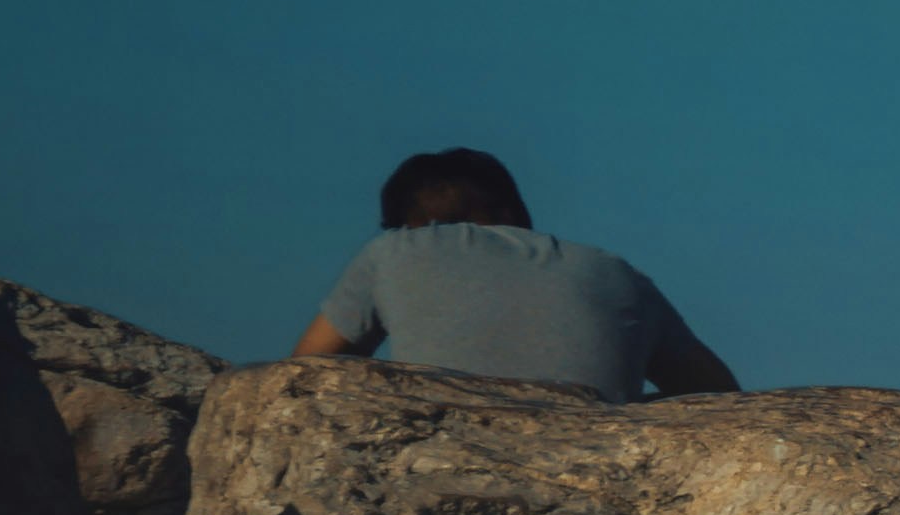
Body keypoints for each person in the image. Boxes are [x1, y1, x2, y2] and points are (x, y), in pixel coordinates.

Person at [293, 149, 735, 403]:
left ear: (405, 224)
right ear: (513, 213)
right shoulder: (613, 270)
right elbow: (719, 396)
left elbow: (302, 374)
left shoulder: (392, 251)